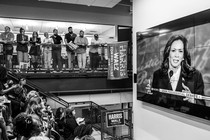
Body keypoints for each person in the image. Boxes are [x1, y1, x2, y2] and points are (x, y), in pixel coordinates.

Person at [148, 35, 205, 111]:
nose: (176, 55)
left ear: (183, 56)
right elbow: (154, 102)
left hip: (187, 120)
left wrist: (193, 100)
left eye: (180, 51)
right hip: (162, 116)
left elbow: (203, 107)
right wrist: (149, 95)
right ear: (168, 53)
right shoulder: (158, 74)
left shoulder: (195, 75)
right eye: (173, 50)